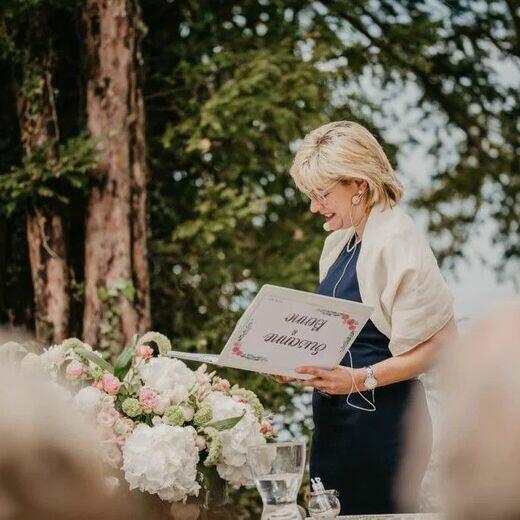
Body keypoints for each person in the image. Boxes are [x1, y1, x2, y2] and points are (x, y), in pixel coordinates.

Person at [276, 121, 457, 515]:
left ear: (359, 184)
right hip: (336, 425)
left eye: (322, 194)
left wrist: (360, 379)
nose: (314, 206)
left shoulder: (396, 239)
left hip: (385, 431)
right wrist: (291, 360)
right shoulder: (339, 242)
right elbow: (342, 337)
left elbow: (443, 345)